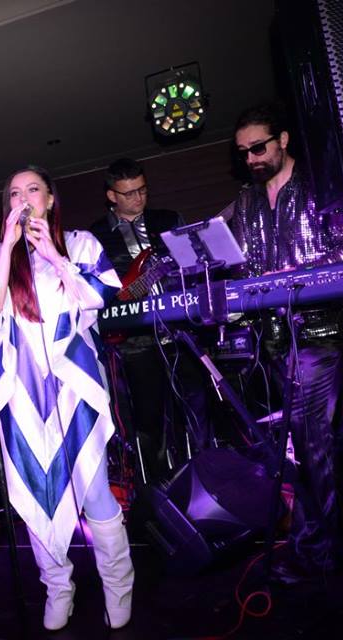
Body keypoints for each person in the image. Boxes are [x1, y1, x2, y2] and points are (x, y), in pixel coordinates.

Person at [0, 166, 134, 630]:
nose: (23, 199)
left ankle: (118, 586)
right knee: (34, 494)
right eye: (14, 193)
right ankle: (57, 587)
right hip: (20, 394)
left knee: (94, 491)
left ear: (50, 199)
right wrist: (6, 249)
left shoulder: (80, 244)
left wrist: (55, 257)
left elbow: (102, 295)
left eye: (32, 190)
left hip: (75, 389)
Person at [229, 104, 343, 582]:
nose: (251, 158)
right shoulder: (247, 202)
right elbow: (246, 268)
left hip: (318, 332)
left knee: (313, 443)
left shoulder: (319, 186)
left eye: (258, 147)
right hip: (273, 338)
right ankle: (320, 545)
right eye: (243, 152)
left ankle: (322, 552)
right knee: (297, 447)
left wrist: (290, 275)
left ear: (283, 139)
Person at [89, 159, 212, 478]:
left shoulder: (167, 220)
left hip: (179, 330)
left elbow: (193, 264)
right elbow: (93, 289)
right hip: (134, 339)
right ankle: (157, 485)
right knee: (149, 417)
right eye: (129, 193)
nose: (138, 198)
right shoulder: (96, 235)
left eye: (142, 190)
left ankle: (205, 474)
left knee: (196, 407)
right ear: (112, 196)